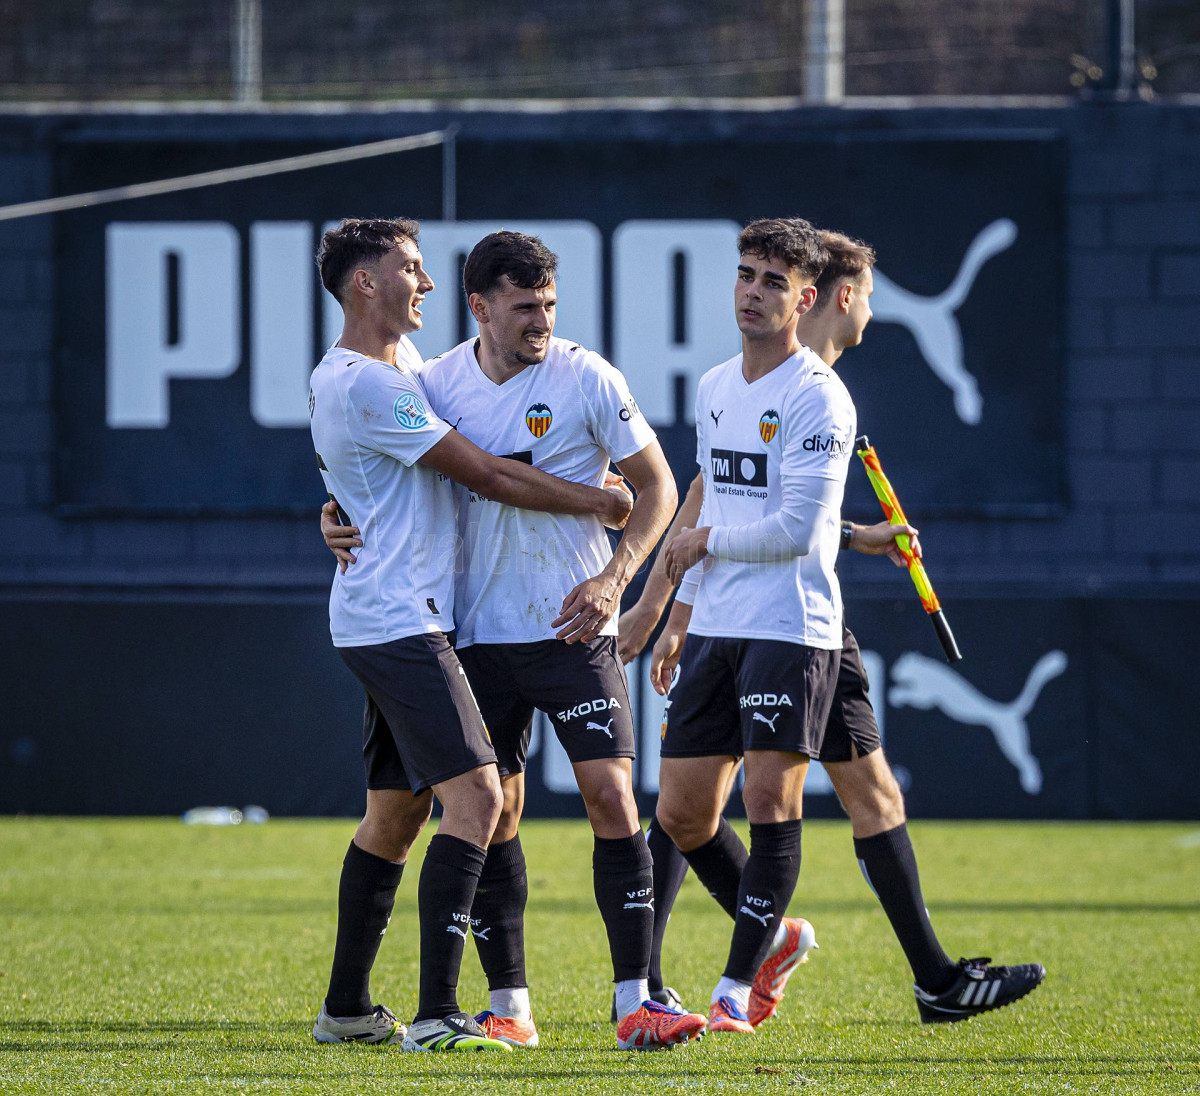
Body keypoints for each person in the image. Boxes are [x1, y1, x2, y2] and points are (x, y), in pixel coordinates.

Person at [622, 221, 1045, 1031]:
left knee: (831, 795)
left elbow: (785, 523)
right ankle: (857, 964)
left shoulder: (821, 393)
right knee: (688, 810)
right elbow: (730, 499)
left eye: (771, 281)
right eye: (746, 276)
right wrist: (676, 605)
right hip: (744, 620)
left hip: (799, 626)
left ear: (808, 296)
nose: (752, 291)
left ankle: (738, 985)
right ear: (841, 298)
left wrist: (809, 540)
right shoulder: (721, 386)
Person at [321, 230, 708, 1052]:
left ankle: (636, 999)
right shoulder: (433, 381)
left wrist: (615, 579)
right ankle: (508, 1006)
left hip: (574, 624)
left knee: (611, 795)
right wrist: (336, 513)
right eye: (525, 306)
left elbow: (660, 487)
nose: (541, 320)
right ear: (482, 307)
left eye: (550, 306)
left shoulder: (587, 376)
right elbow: (425, 472)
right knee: (495, 812)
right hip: (472, 629)